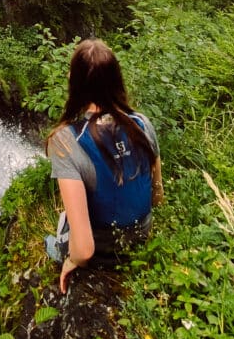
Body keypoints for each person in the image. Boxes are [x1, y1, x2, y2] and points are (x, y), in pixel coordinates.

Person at [46, 39, 164, 294]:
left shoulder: (65, 141)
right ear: (116, 80)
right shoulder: (142, 124)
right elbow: (158, 195)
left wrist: (71, 261)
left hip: (103, 250)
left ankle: (53, 251)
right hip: (142, 237)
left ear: (75, 83)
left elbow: (85, 250)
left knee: (58, 231)